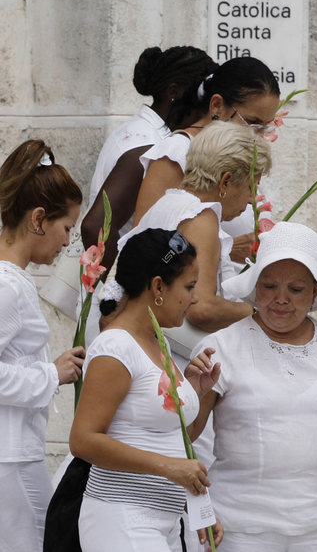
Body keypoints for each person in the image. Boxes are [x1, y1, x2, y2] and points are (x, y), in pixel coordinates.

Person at [188, 221, 317, 552]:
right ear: (254, 288)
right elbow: (185, 432)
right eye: (269, 286)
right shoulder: (220, 348)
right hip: (240, 530)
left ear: (315, 293)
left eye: (296, 289)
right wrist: (193, 391)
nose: (281, 300)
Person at [69, 228, 223, 552]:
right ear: (157, 287)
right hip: (121, 519)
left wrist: (198, 392)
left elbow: (170, 439)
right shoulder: (116, 347)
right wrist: (170, 468)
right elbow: (83, 440)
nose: (194, 298)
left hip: (161, 523)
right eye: (189, 287)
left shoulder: (157, 342)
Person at [110, 121, 274, 365]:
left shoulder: (167, 204)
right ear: (226, 182)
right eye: (251, 186)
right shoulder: (200, 218)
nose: (252, 199)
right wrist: (262, 312)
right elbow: (202, 308)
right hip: (171, 359)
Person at [0, 139, 85, 552]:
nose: (68, 242)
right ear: (38, 219)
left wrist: (51, 367)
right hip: (11, 458)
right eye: (66, 227)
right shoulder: (7, 284)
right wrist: (52, 374)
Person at [133, 55, 281, 263]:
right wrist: (225, 249)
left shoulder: (242, 156)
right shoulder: (177, 151)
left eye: (265, 127)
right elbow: (144, 242)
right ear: (217, 106)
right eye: (252, 123)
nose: (257, 135)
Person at [82, 45, 217, 270]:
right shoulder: (150, 145)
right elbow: (94, 226)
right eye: (200, 106)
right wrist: (123, 288)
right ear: (174, 92)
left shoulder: (140, 130)